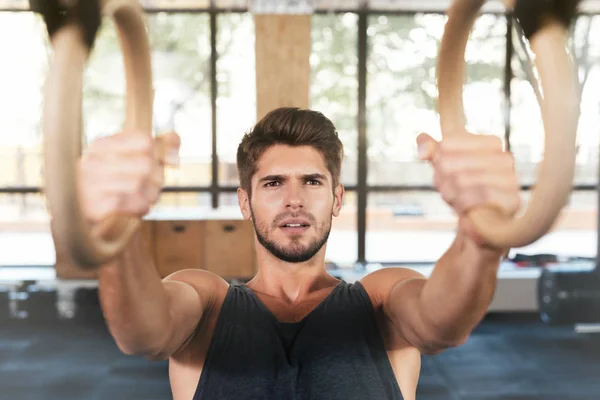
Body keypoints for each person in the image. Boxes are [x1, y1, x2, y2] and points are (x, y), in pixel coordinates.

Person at [78, 107, 519, 400]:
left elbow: (442, 324)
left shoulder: (382, 301)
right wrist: (120, 226)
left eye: (311, 181)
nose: (294, 200)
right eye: (273, 183)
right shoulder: (205, 303)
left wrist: (478, 232)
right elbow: (141, 332)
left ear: (337, 199)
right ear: (245, 203)